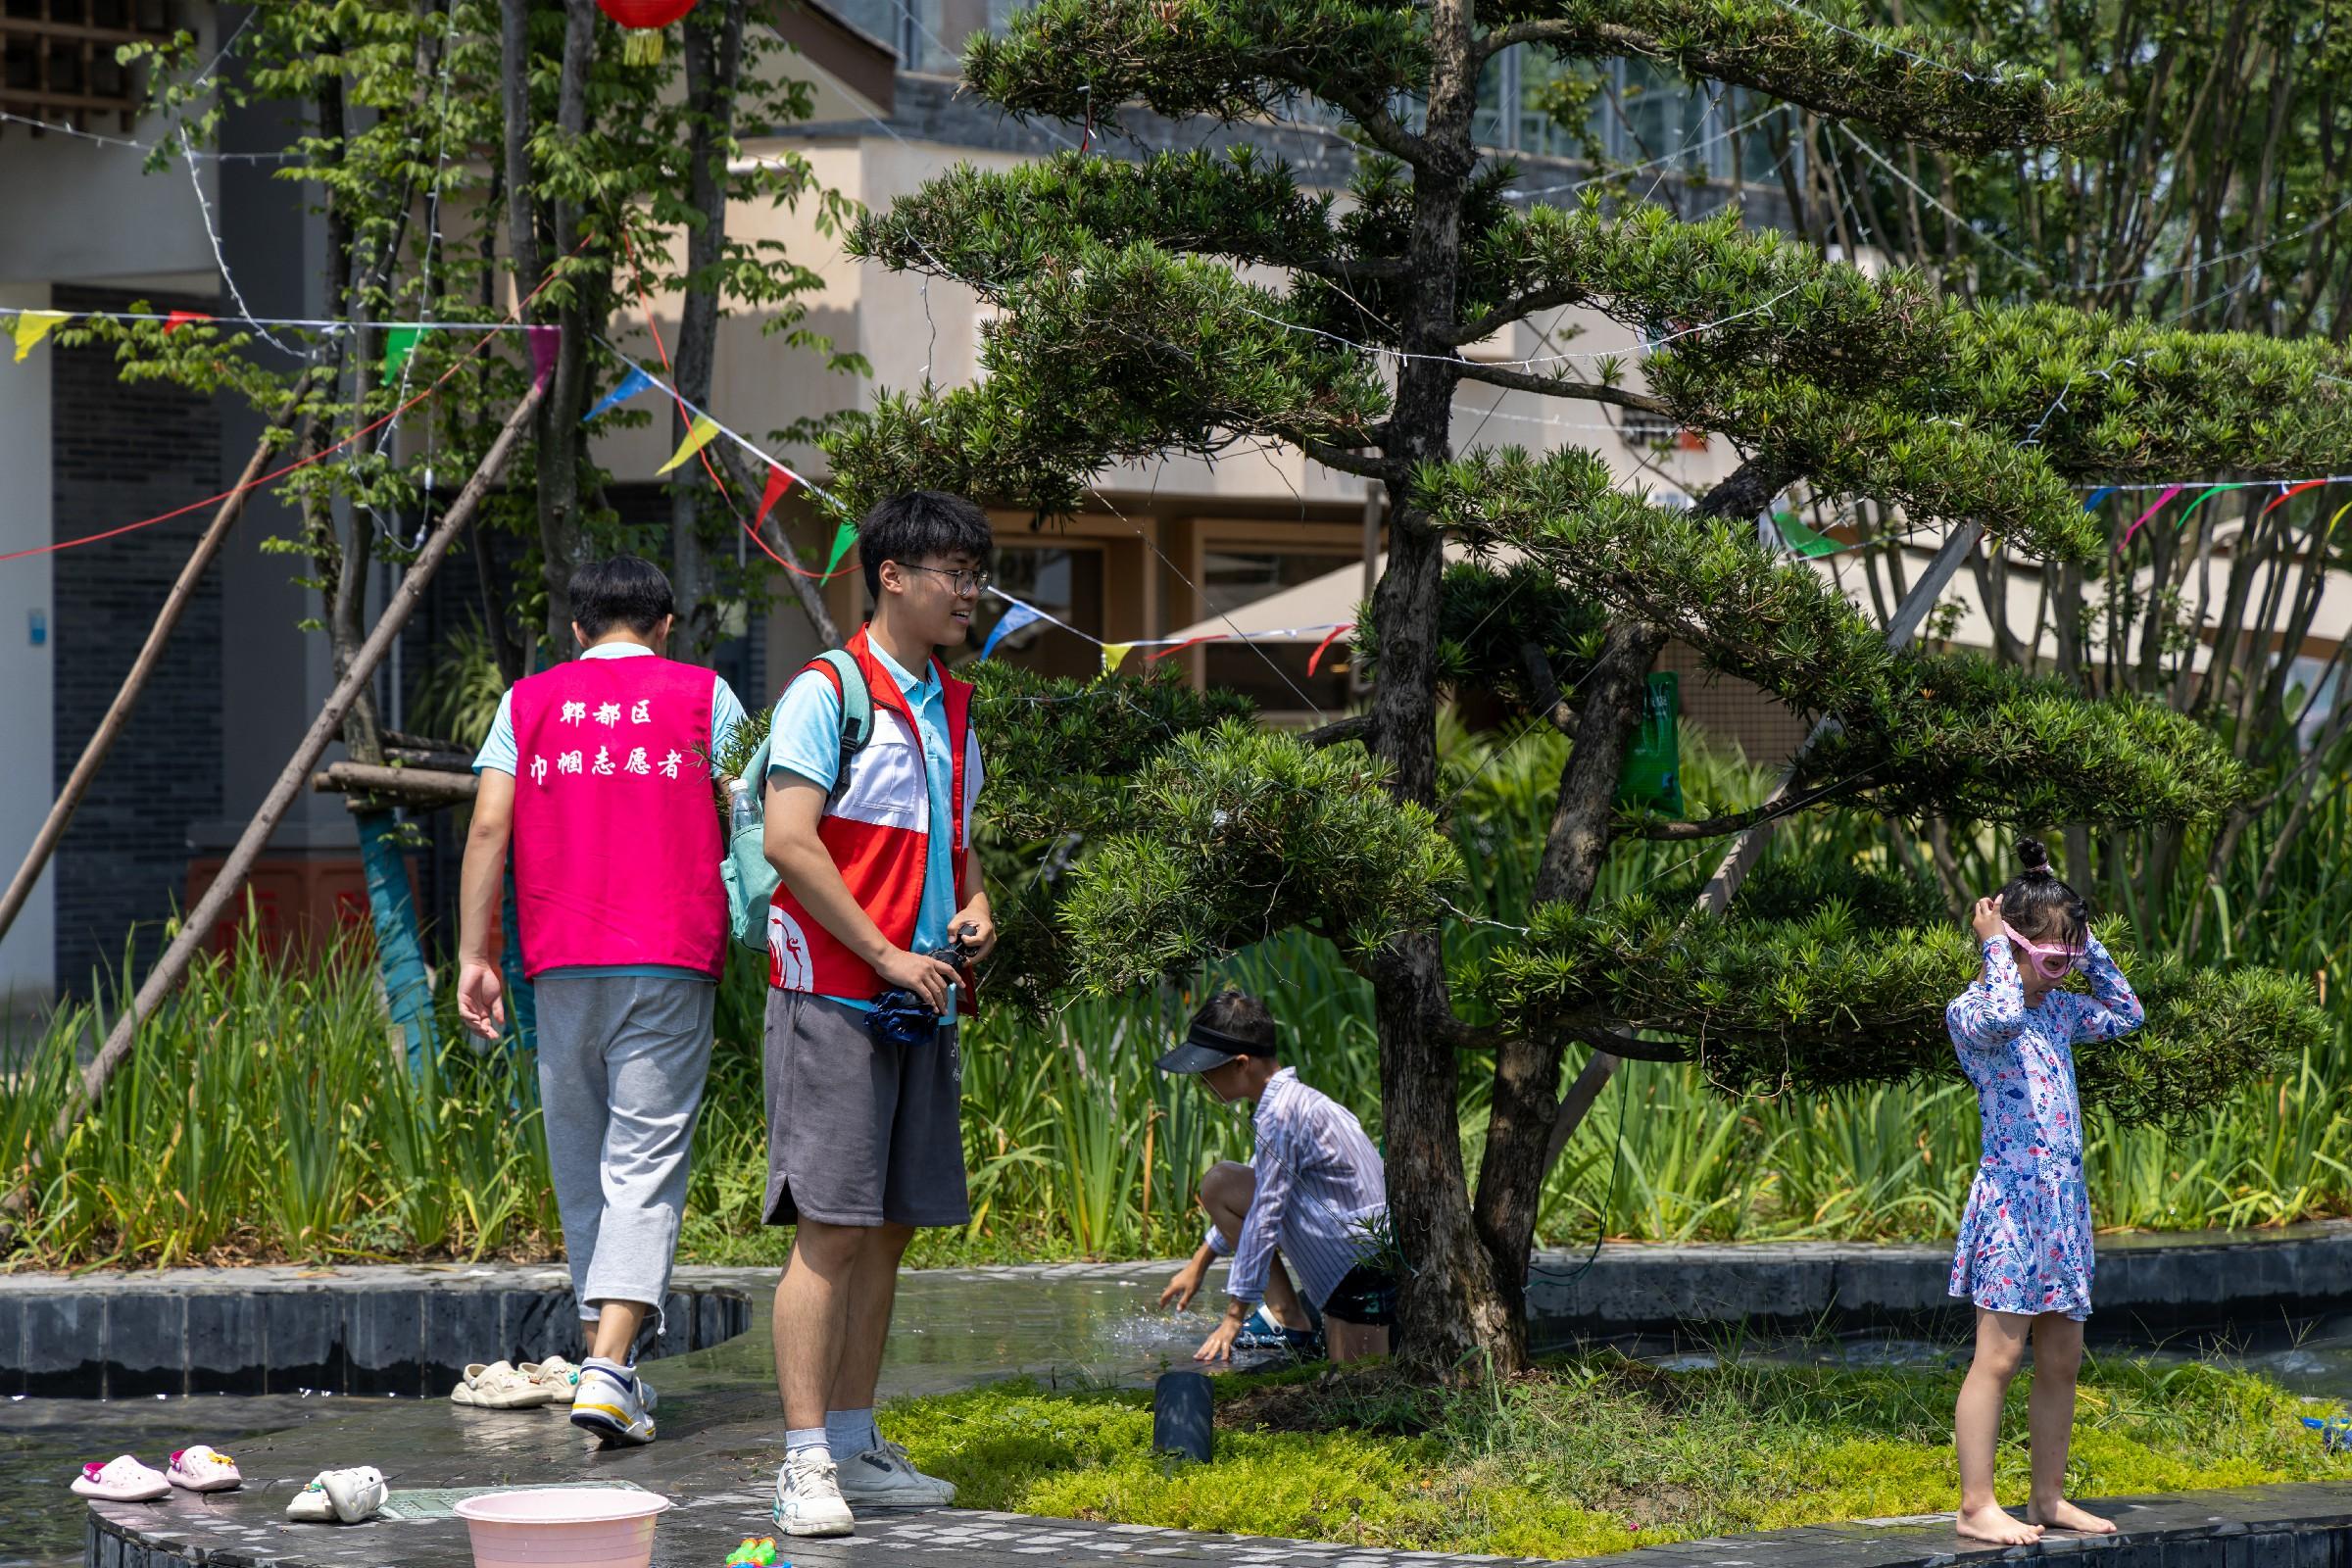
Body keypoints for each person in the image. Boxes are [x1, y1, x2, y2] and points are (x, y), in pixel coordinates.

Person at [455, 556, 746, 1448]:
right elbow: (749, 814)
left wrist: (475, 954)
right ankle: (612, 1372)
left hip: (558, 955)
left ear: (576, 630)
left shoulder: (530, 701)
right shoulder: (707, 696)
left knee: (583, 1164)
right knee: (645, 1163)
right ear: (665, 625)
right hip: (669, 953)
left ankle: (600, 1367)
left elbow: (489, 825)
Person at [760, 490, 996, 1537]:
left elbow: (959, 838)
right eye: (952, 571)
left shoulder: (954, 700)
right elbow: (789, 839)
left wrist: (979, 907)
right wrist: (889, 954)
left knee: (890, 1227)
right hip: (837, 992)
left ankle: (856, 1444)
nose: (969, 591)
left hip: (921, 1001)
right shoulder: (826, 691)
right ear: (890, 575)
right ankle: (803, 1460)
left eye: (975, 573)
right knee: (833, 1224)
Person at [1945, 838, 2144, 1545]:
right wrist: (1997, 950)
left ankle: (2048, 1498)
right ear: (2013, 945)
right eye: (2052, 959)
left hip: (2063, 1207)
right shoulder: (1973, 1011)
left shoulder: (2060, 1011)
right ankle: (1975, 1506)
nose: (2061, 975)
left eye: (2071, 960)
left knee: (2062, 1359)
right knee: (1997, 1358)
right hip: (2010, 1205)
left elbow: (2127, 1015)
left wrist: (2088, 955)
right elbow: (2002, 1016)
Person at [1156, 991, 1396, 1366]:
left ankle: (1288, 1318)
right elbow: (1254, 1194)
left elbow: (1265, 1215)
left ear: (1241, 1064)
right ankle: (1291, 1321)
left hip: (1358, 1273)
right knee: (1222, 1182)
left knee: (1361, 1396)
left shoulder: (1281, 1117)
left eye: (1207, 1069)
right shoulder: (1292, 1103)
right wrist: (1198, 1265)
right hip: (1358, 1263)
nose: (1201, 1080)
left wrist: (1234, 1317)